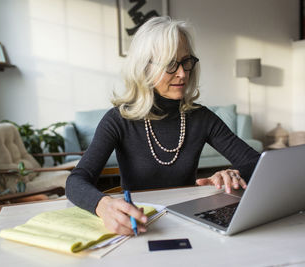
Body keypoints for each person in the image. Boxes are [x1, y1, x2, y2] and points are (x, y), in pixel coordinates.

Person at [66, 16, 260, 236]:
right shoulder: (118, 119)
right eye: (170, 64)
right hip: (139, 224)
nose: (182, 73)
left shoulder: (201, 117)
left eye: (186, 61)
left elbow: (256, 162)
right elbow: (76, 181)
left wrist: (233, 172)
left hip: (188, 222)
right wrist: (103, 205)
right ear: (145, 68)